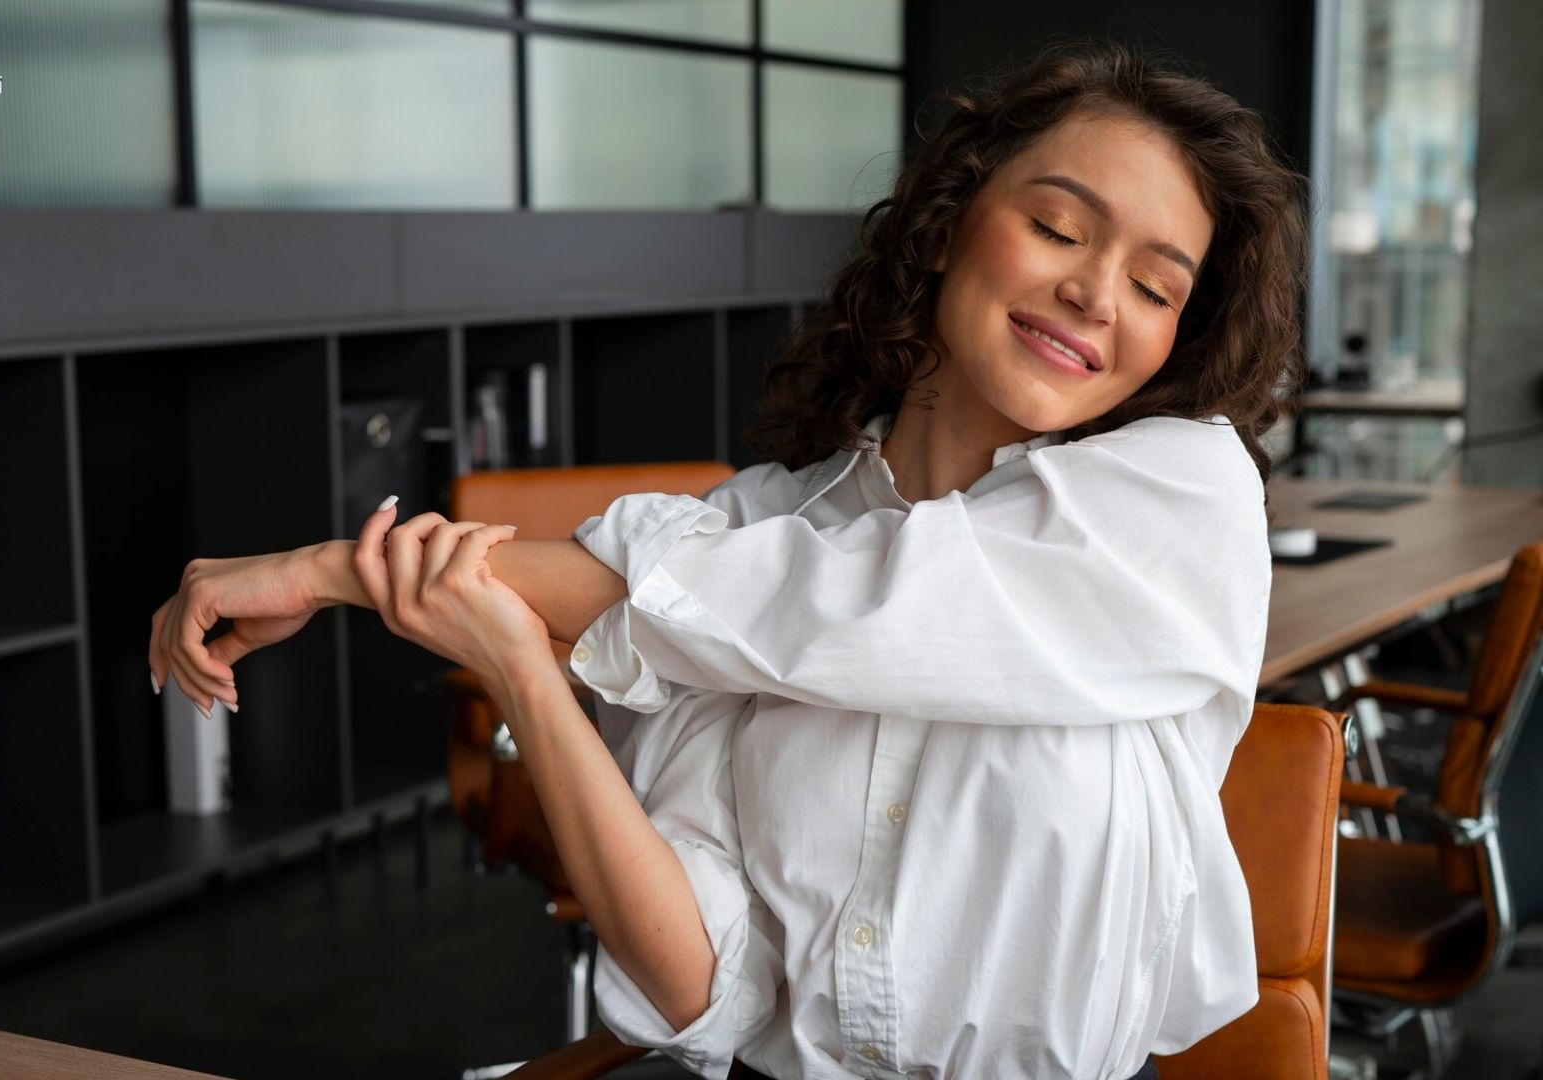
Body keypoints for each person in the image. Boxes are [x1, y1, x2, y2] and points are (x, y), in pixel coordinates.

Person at [147, 39, 1309, 1080]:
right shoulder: (741, 543)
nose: (1096, 293)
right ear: (953, 217)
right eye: (1059, 227)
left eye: (1157, 286)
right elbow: (703, 985)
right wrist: (523, 670)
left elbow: (845, 609)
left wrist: (333, 569)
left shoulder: (1182, 495)